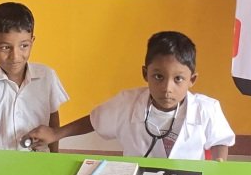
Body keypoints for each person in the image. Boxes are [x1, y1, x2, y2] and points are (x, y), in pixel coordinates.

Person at [28, 31, 235, 160]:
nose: (167, 88)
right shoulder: (127, 103)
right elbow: (95, 120)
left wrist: (219, 164)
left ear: (192, 80)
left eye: (178, 79)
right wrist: (56, 134)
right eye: (158, 76)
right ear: (145, 74)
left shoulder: (207, 108)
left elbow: (220, 139)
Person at [0, 2, 68, 152]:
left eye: (24, 46)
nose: (15, 56)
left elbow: (53, 120)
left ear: (32, 42)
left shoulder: (47, 77)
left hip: (37, 160)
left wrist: (55, 156)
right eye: (5, 47)